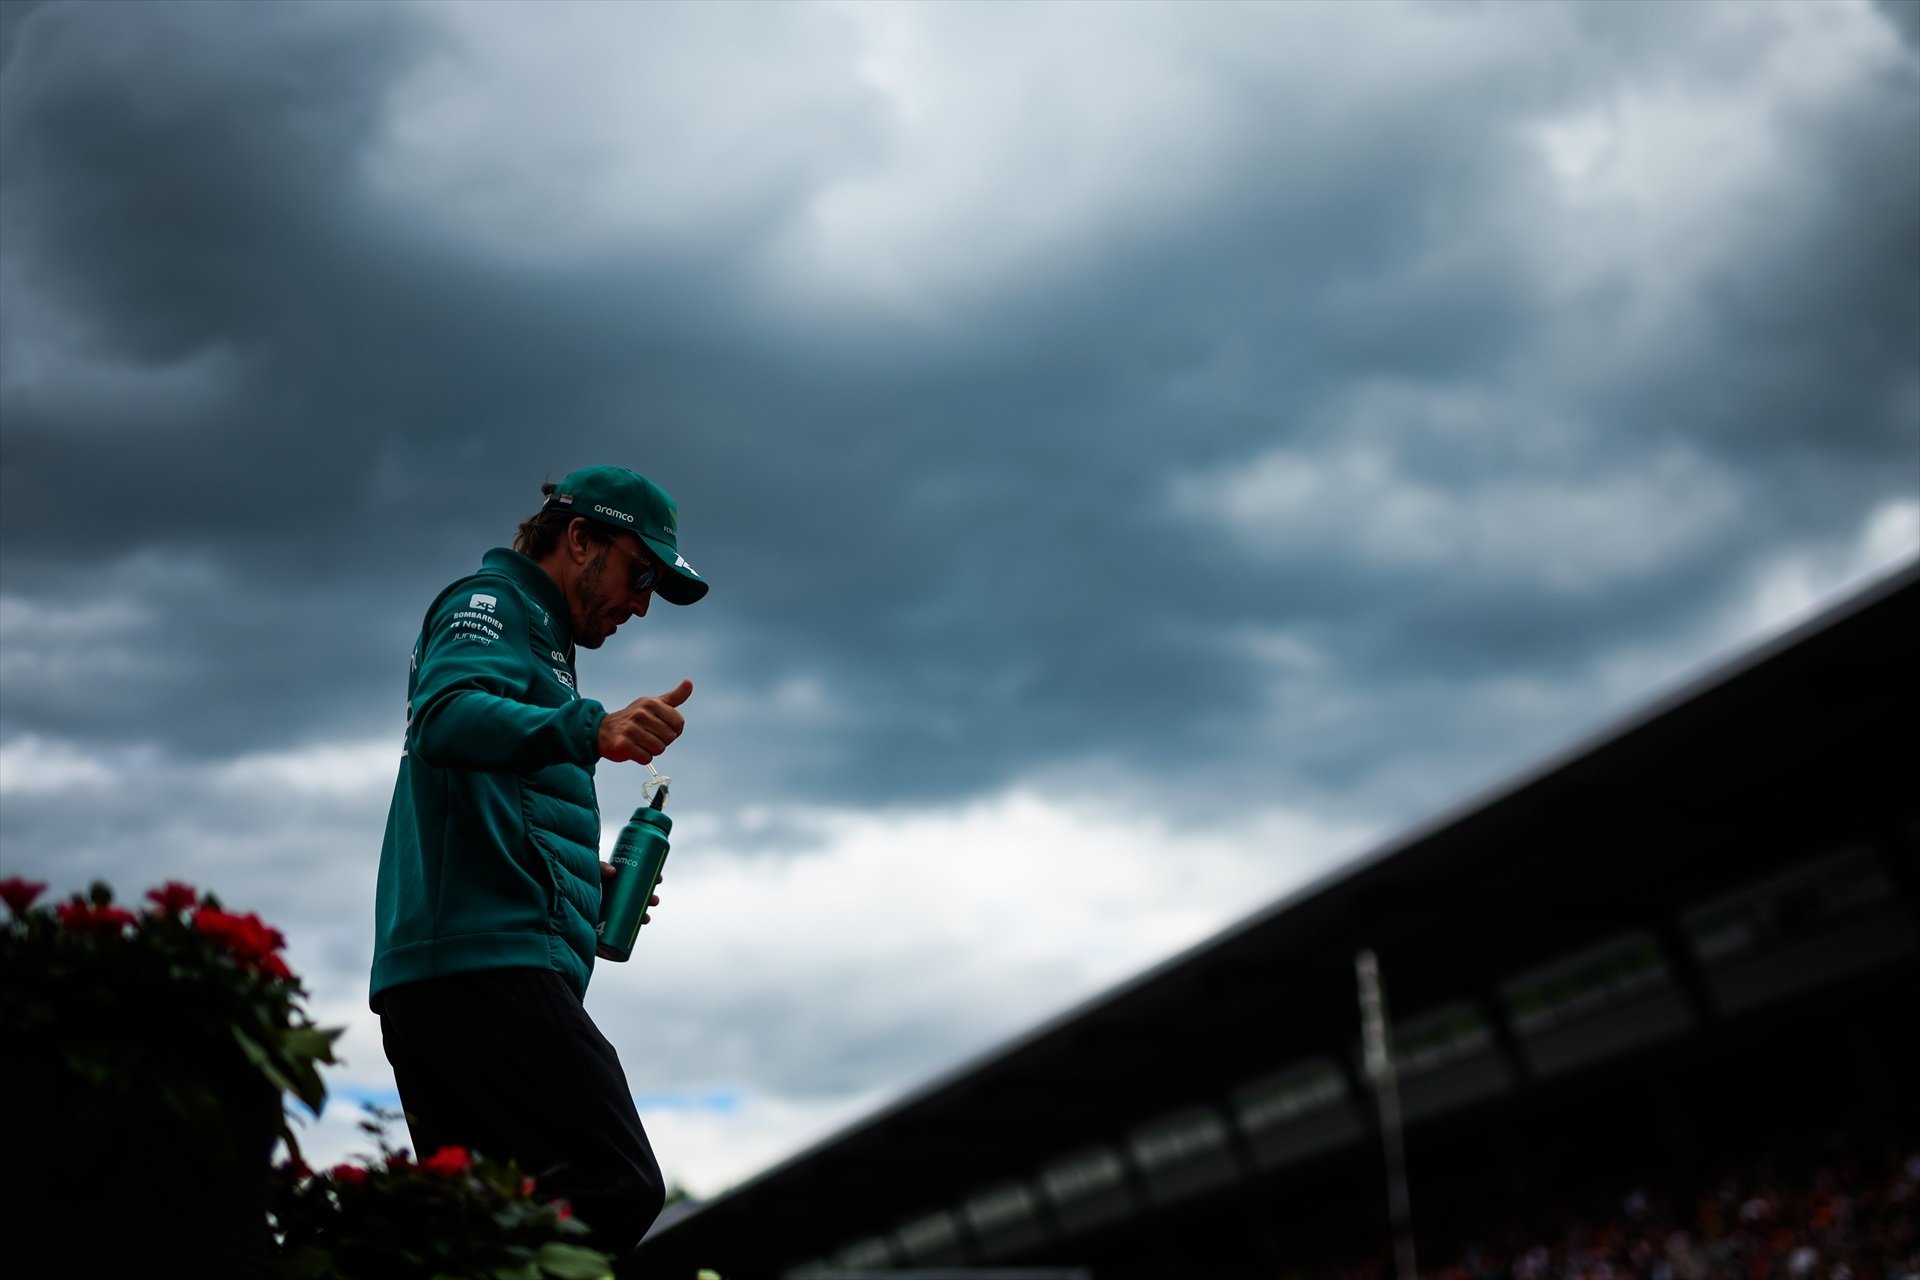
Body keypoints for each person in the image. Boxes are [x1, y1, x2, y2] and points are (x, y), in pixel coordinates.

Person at [370, 465, 709, 1266]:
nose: (641, 602)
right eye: (641, 573)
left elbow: (502, 799)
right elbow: (446, 720)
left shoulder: (542, 643)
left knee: (479, 1226)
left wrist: (586, 883)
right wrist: (594, 730)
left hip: (461, 972)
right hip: (481, 966)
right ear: (581, 538)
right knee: (616, 1182)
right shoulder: (489, 605)